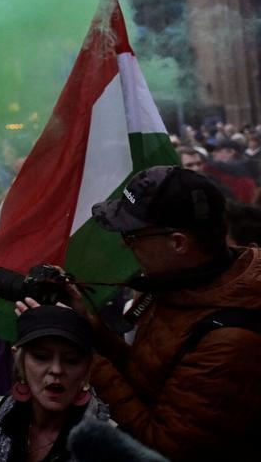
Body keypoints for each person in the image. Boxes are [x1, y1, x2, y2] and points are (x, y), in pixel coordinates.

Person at [71, 165, 261, 459]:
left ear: (178, 243)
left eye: (133, 236)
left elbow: (162, 447)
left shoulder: (231, 338)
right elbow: (147, 375)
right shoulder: (186, 287)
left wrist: (86, 359)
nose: (125, 245)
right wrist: (90, 327)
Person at [0, 305, 109, 462]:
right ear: (19, 359)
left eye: (71, 360)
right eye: (41, 357)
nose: (56, 370)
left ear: (88, 367)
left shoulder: (108, 444)